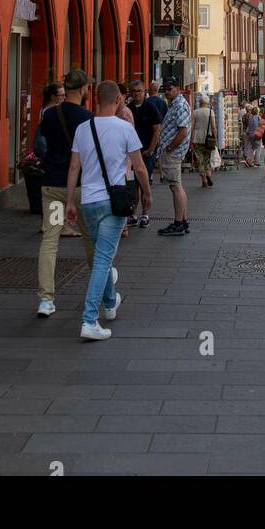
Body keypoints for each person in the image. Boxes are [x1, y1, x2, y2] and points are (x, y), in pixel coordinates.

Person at [65, 79, 150, 340]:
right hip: (114, 202)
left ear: (95, 99)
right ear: (119, 100)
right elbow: (139, 167)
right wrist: (147, 193)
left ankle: (111, 302)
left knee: (102, 257)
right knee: (103, 260)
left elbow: (74, 167)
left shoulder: (83, 128)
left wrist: (69, 201)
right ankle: (89, 320)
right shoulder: (125, 129)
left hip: (89, 201)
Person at [35, 70, 94, 317]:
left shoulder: (49, 115)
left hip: (53, 187)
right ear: (82, 89)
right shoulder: (87, 118)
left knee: (50, 241)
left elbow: (40, 145)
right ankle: (101, 290)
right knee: (90, 239)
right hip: (80, 188)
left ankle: (46, 299)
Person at [157, 78, 191, 236]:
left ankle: (178, 223)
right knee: (177, 186)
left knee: (175, 187)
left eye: (169, 88)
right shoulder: (174, 104)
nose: (166, 91)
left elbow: (183, 132)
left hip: (174, 153)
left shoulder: (180, 105)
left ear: (178, 88)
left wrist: (170, 147)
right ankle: (183, 221)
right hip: (173, 152)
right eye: (165, 89)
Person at [128, 79, 161, 227]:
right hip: (131, 154)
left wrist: (151, 150)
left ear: (145, 92)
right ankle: (133, 214)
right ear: (130, 93)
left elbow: (157, 130)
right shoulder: (128, 109)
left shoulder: (151, 107)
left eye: (139, 91)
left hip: (146, 153)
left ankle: (145, 215)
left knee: (144, 184)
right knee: (132, 185)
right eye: (134, 91)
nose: (137, 94)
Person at [191, 93, 217, 187]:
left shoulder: (195, 112)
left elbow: (192, 126)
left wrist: (191, 139)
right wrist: (215, 137)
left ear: (200, 102)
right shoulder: (211, 112)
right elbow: (213, 127)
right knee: (207, 158)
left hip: (197, 138)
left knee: (200, 159)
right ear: (207, 103)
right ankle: (208, 174)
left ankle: (204, 179)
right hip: (208, 138)